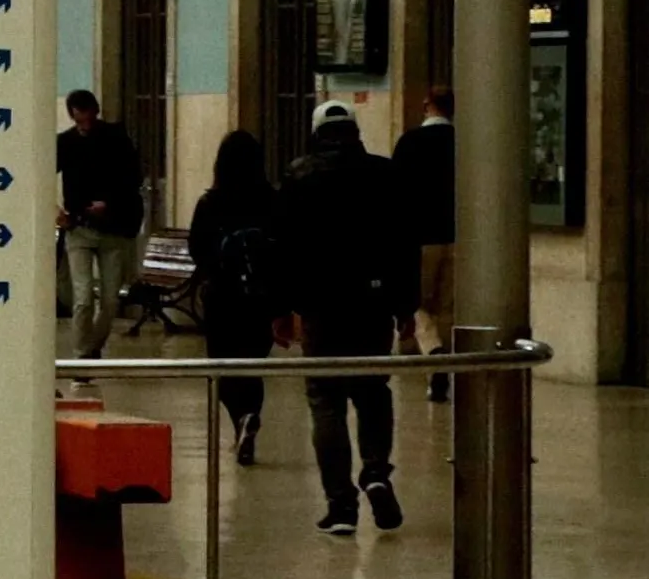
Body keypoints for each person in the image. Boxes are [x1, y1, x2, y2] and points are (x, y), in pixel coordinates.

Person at [280, 102, 406, 534]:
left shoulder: (299, 176)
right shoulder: (385, 174)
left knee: (325, 399)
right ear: (354, 131)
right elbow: (401, 243)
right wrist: (405, 307)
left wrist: (282, 308)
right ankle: (375, 473)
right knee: (373, 388)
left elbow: (286, 247)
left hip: (319, 306)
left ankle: (341, 506)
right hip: (372, 303)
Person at [182, 128, 283, 461]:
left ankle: (240, 417)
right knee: (252, 364)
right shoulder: (272, 200)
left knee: (223, 365)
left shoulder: (211, 202)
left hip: (222, 297)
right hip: (260, 297)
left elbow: (196, 248)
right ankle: (250, 413)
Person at [51, 91, 142, 355]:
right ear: (73, 116)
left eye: (89, 118)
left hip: (113, 228)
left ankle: (92, 347)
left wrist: (109, 204)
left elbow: (133, 178)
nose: (86, 125)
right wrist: (55, 210)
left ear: (96, 111)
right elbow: (40, 173)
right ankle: (83, 355)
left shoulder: (116, 138)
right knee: (83, 299)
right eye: (81, 120)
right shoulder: (65, 143)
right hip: (78, 228)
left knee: (111, 300)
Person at [394, 87, 461, 395]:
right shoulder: (463, 142)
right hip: (457, 236)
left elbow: (397, 192)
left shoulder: (410, 143)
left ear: (426, 105)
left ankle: (433, 353)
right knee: (447, 306)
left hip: (419, 237)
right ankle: (443, 363)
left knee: (418, 302)